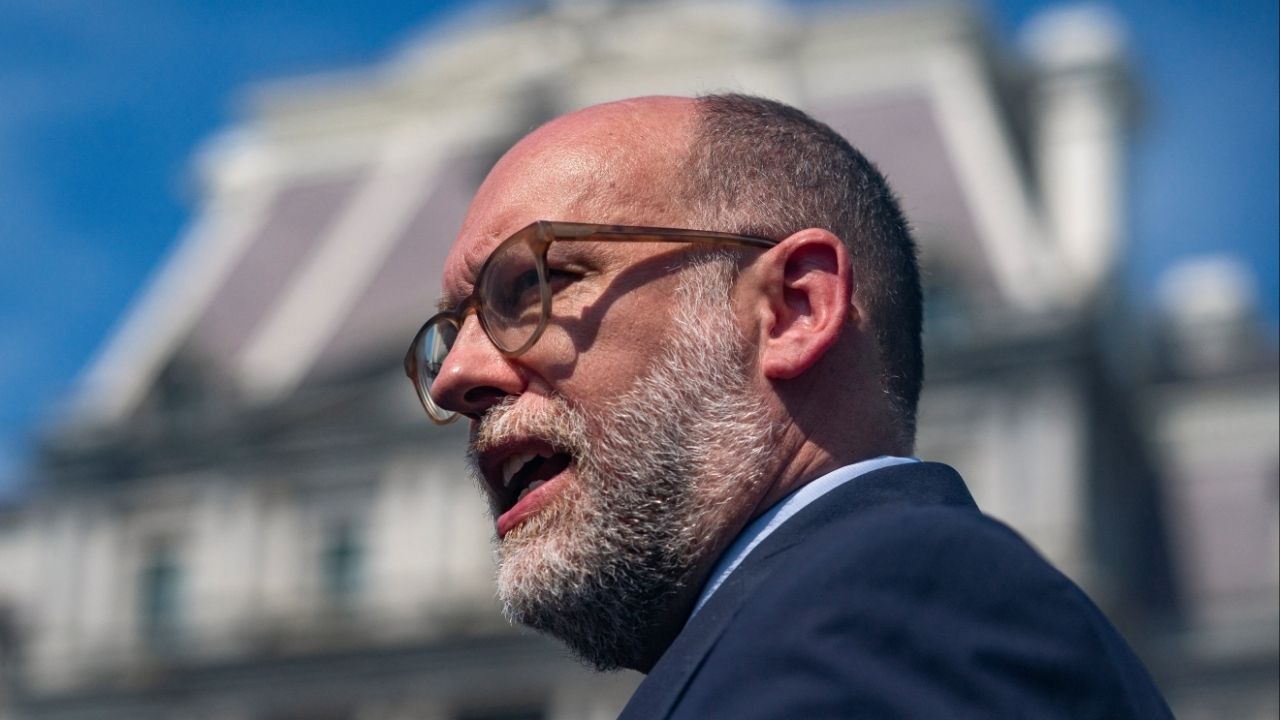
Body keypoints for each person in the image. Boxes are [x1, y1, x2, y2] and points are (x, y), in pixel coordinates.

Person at [404, 94, 1173, 718]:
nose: (455, 378)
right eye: (449, 333)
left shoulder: (887, 610)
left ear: (793, 310)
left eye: (536, 284)